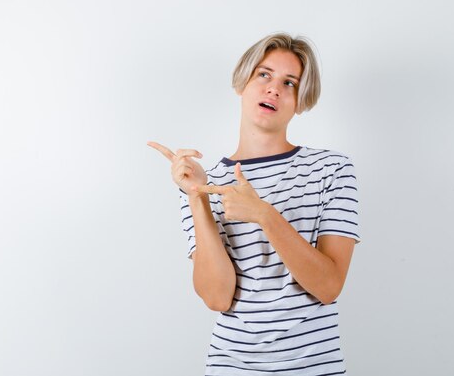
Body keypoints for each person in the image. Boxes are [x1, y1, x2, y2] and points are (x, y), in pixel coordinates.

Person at [147, 32, 360, 376]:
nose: (274, 88)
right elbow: (217, 297)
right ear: (241, 83)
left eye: (289, 82)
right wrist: (197, 197)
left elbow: (328, 286)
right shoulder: (205, 182)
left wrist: (263, 214)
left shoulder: (331, 169)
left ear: (301, 101)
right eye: (264, 74)